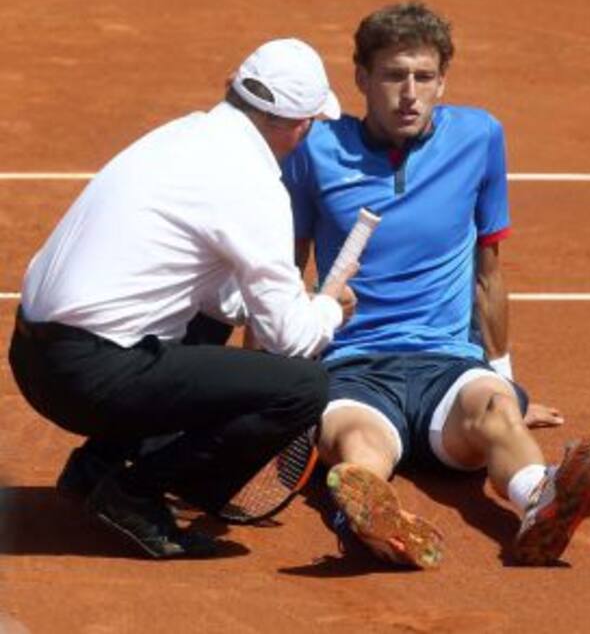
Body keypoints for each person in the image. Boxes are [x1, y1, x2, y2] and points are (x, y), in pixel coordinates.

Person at [281, 1, 590, 568]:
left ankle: (541, 501)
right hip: (354, 365)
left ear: (443, 81)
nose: (409, 93)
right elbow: (285, 271)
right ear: (362, 78)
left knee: (498, 412)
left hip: (448, 366)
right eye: (393, 76)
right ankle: (372, 522)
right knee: (358, 443)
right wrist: (268, 384)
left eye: (424, 76)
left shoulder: (479, 137)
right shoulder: (315, 148)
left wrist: (506, 380)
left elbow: (489, 272)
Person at [8, 37, 358, 560]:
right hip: (85, 380)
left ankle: (98, 467)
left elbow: (221, 302)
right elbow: (291, 341)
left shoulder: (180, 136)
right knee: (303, 387)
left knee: (211, 317)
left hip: (32, 358)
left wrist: (281, 304)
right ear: (300, 125)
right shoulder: (255, 185)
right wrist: (328, 307)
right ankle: (136, 493)